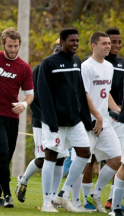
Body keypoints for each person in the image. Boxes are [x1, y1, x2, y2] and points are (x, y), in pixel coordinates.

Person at [37, 28, 92, 212]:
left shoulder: (77, 61)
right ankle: (47, 202)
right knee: (51, 157)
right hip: (54, 122)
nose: (75, 43)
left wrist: (85, 119)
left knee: (85, 153)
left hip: (74, 121)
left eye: (77, 40)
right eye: (71, 41)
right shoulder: (48, 63)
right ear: (62, 42)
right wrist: (51, 123)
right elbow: (44, 95)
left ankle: (62, 194)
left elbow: (80, 91)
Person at [15, 39, 72, 209]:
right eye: (57, 49)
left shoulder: (67, 68)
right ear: (54, 50)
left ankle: (54, 198)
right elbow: (33, 97)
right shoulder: (41, 68)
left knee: (61, 158)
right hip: (43, 121)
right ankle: (23, 180)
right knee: (43, 159)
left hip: (61, 123)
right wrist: (45, 118)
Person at [0, 27, 34, 208]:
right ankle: (7, 196)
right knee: (2, 152)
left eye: (16, 46)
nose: (13, 49)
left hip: (12, 116)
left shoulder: (24, 67)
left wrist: (24, 104)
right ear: (3, 44)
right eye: (10, 46)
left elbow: (30, 94)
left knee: (6, 157)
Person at [77, 31, 121, 214]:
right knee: (82, 162)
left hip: (105, 123)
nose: (108, 46)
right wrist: (98, 116)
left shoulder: (109, 67)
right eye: (104, 43)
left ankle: (95, 194)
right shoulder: (86, 66)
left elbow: (106, 92)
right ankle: (62, 198)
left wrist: (118, 111)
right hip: (90, 122)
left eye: (109, 43)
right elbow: (84, 94)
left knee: (117, 158)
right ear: (93, 45)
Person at [104, 28, 124, 212]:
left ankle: (112, 200)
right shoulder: (97, 63)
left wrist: (120, 112)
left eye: (119, 42)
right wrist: (115, 110)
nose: (116, 46)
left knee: (118, 159)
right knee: (88, 159)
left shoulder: (121, 63)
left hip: (119, 118)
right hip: (102, 116)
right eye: (112, 42)